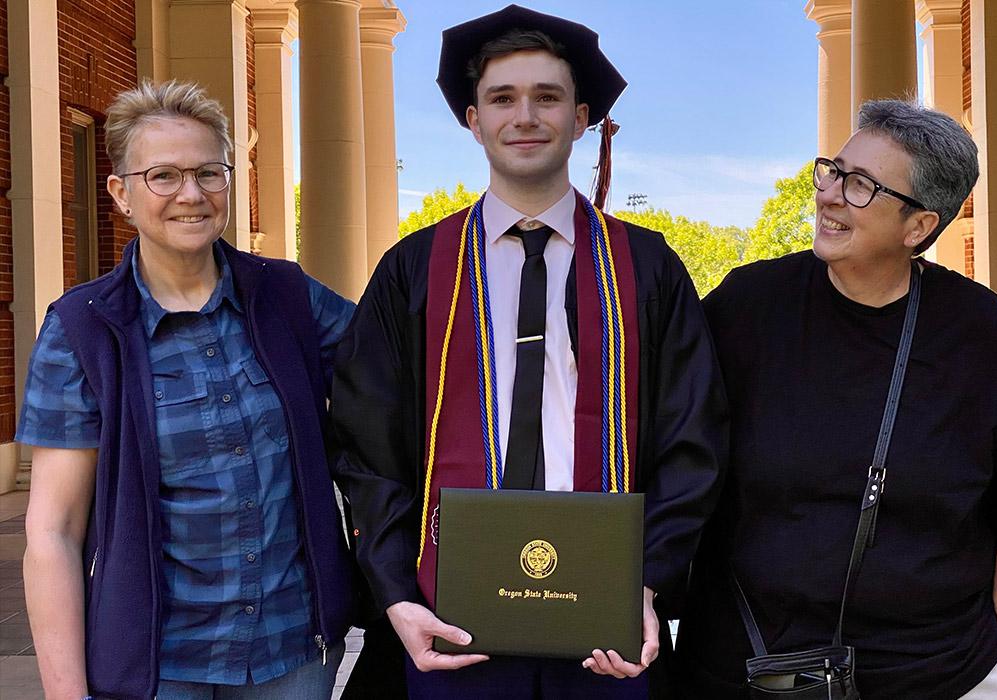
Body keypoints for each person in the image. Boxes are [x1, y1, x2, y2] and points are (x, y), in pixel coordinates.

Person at [331, 5, 725, 698]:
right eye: (502, 98)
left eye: (548, 97)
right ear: (472, 120)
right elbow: (369, 447)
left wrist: (648, 582)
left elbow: (693, 438)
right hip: (448, 622)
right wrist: (396, 593)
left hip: (606, 620)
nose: (525, 116)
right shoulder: (415, 270)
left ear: (581, 118)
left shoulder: (646, 266)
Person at [675, 100, 997, 699]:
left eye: (861, 185)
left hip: (936, 673)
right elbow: (661, 447)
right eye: (833, 171)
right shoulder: (747, 307)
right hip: (746, 670)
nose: (830, 195)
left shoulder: (976, 328)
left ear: (919, 227)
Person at [18, 80, 358, 700]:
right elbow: (53, 531)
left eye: (209, 172)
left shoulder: (288, 296)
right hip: (158, 666)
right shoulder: (82, 331)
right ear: (121, 192)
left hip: (294, 651)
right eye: (164, 177)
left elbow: (397, 371)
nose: (191, 195)